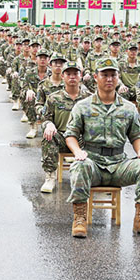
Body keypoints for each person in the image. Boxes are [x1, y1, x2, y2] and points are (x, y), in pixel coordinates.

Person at [63, 57, 140, 239]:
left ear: (118, 78)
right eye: (104, 75)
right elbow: (71, 135)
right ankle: (80, 218)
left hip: (118, 165)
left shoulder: (129, 108)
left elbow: (136, 135)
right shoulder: (82, 106)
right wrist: (78, 152)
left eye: (112, 75)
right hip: (93, 164)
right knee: (79, 166)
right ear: (96, 78)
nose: (108, 79)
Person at [39, 60, 88, 193]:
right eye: (68, 74)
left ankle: (99, 176)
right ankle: (50, 177)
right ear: (63, 76)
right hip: (62, 137)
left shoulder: (89, 98)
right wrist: (48, 124)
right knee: (48, 136)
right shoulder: (54, 98)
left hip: (82, 140)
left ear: (80, 76)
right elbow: (45, 118)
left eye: (75, 74)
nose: (72, 77)